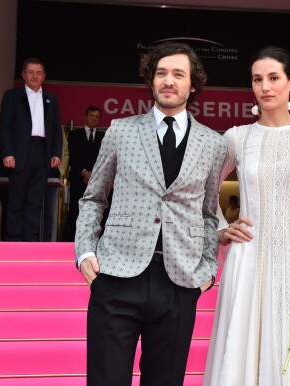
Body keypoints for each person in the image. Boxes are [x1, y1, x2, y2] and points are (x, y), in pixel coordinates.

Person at [74, 42, 227, 386]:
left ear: (193, 84)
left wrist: (207, 269)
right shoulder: (121, 131)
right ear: (151, 80)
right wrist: (85, 251)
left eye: (178, 74)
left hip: (179, 282)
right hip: (116, 275)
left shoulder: (213, 144)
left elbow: (208, 214)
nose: (168, 81)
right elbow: (93, 198)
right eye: (161, 73)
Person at [203, 46, 290, 386]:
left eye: (273, 78)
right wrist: (223, 228)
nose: (265, 87)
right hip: (247, 260)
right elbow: (204, 190)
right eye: (257, 79)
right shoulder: (237, 138)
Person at [0, 58, 62, 241]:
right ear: (23, 74)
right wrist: (7, 152)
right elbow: (5, 127)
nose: (35, 76)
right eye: (31, 72)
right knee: (16, 198)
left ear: (44, 76)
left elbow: (57, 129)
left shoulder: (51, 98)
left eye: (38, 73)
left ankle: (30, 239)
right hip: (18, 154)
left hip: (42, 152)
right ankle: (13, 237)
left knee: (35, 200)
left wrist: (56, 153)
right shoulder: (12, 96)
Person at [64, 106, 106, 242]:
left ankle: (95, 242)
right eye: (91, 115)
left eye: (97, 117)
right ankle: (71, 241)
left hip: (97, 181)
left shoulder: (103, 136)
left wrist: (94, 175)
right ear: (85, 117)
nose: (94, 118)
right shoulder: (75, 135)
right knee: (75, 210)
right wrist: (84, 172)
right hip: (78, 179)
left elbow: (105, 158)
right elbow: (72, 157)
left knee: (96, 211)